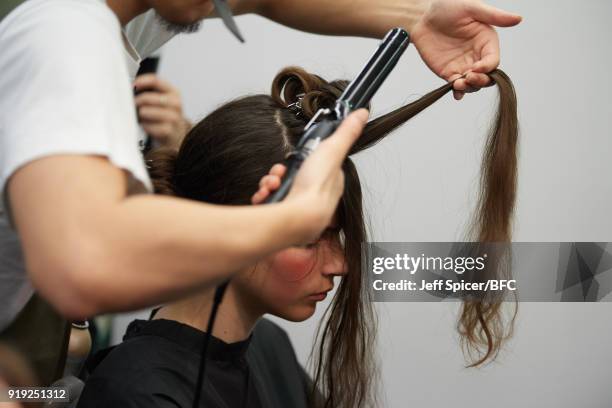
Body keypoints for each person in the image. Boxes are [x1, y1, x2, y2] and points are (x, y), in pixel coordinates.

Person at [0, 0, 521, 384]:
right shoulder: (65, 34)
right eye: (319, 239)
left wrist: (416, 18)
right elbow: (82, 267)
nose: (222, 8)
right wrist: (289, 221)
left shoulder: (118, 25)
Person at [76, 64, 518, 407]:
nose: (341, 264)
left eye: (337, 237)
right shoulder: (139, 394)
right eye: (310, 239)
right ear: (230, 225)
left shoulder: (267, 347)